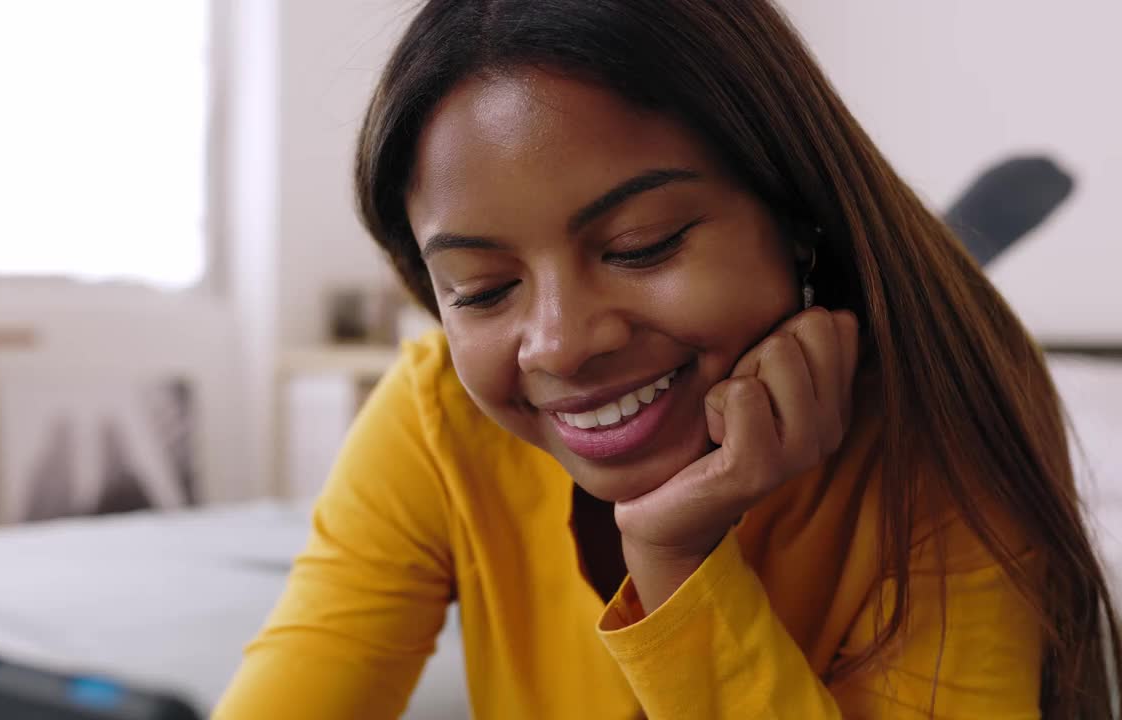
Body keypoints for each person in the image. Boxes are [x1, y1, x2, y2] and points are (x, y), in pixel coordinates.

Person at [216, 1, 1120, 717]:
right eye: (485, 290)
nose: (562, 342)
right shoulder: (436, 417)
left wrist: (677, 561)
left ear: (795, 215)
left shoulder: (943, 441)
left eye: (643, 245)